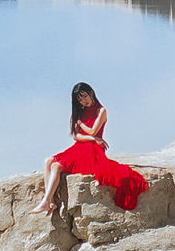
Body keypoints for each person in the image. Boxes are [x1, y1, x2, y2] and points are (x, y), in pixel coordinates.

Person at [38, 80, 148, 214]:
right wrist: (92, 138)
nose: (83, 101)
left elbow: (93, 131)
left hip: (91, 149)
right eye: (79, 99)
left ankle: (46, 202)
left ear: (91, 92)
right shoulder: (81, 112)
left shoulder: (102, 111)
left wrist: (82, 126)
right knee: (48, 161)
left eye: (84, 96)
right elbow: (76, 136)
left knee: (56, 166)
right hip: (81, 146)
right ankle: (49, 202)